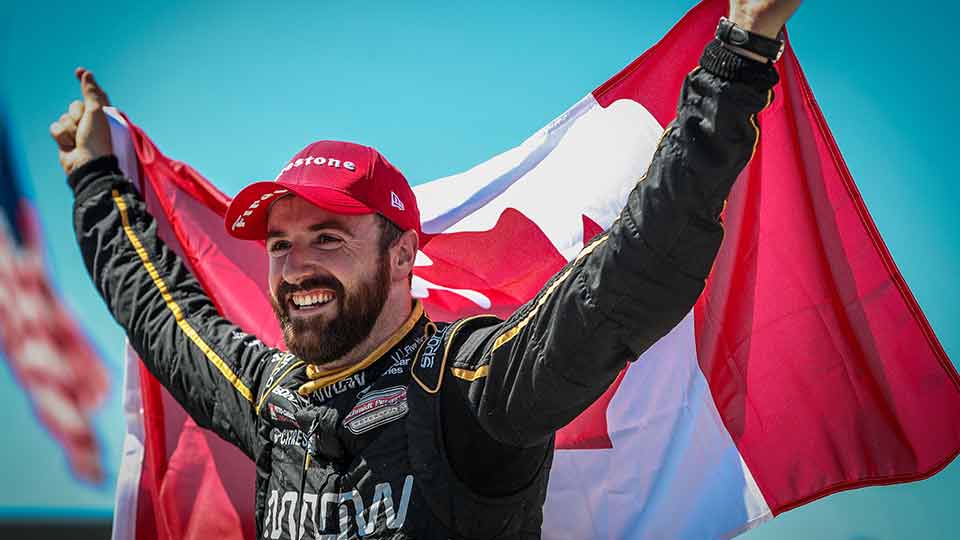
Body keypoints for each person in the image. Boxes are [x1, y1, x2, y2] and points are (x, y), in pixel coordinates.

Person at [51, 1, 801, 537]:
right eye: (281, 244)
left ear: (402, 252)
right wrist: (93, 176)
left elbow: (632, 272)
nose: (296, 267)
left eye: (329, 238)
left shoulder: (471, 387)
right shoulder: (271, 398)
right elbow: (160, 309)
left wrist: (739, 55)